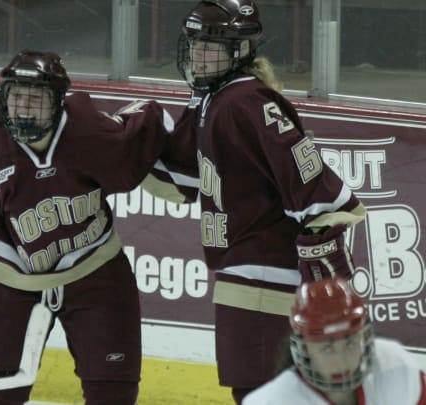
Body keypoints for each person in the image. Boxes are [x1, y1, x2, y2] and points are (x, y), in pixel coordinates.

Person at [0, 50, 174, 405]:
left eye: (35, 99)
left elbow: (146, 122)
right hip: (12, 273)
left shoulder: (88, 130)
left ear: (57, 102)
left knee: (113, 391)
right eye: (16, 97)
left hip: (93, 269)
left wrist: (188, 148)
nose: (22, 109)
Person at [139, 0, 367, 403]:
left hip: (267, 281)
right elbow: (182, 177)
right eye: (194, 44)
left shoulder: (248, 104)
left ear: (240, 50)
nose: (198, 55)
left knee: (265, 395)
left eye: (211, 46)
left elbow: (322, 196)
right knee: (256, 394)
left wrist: (325, 281)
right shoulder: (213, 99)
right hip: (242, 279)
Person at [243, 278, 426, 404]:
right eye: (327, 348)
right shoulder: (273, 401)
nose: (342, 361)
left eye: (349, 343)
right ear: (305, 349)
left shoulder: (396, 368)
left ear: (364, 337)